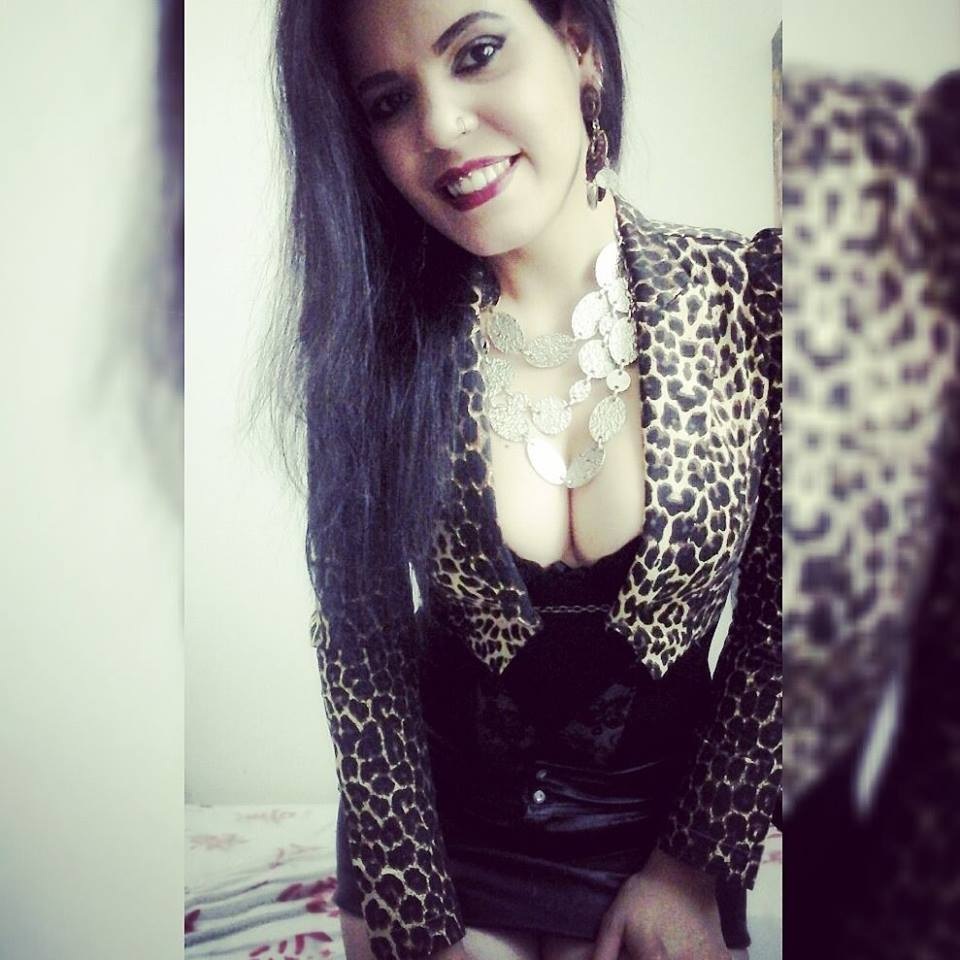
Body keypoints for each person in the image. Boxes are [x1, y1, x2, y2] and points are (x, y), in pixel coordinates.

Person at [270, 1, 782, 958]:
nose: (439, 125)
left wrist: (690, 866)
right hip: (433, 833)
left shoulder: (754, 300)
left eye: (478, 52)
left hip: (660, 833)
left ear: (579, 45)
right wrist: (418, 918)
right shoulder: (368, 339)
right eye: (388, 101)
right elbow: (360, 645)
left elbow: (783, 623)